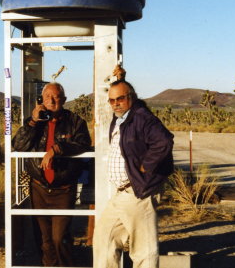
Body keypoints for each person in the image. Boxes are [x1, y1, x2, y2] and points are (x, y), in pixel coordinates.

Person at [93, 80, 174, 268]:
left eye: (119, 99)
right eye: (111, 100)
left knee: (143, 251)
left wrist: (145, 166)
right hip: (122, 193)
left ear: (131, 97)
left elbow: (164, 142)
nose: (115, 104)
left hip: (139, 191)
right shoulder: (121, 117)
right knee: (105, 239)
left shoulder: (142, 117)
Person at [12, 82, 92, 267]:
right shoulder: (36, 122)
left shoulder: (75, 121)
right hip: (39, 187)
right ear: (41, 99)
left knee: (59, 238)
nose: (52, 100)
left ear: (63, 100)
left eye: (56, 97)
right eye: (47, 97)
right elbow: (19, 145)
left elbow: (83, 143)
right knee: (44, 240)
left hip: (63, 190)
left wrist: (57, 149)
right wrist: (32, 122)